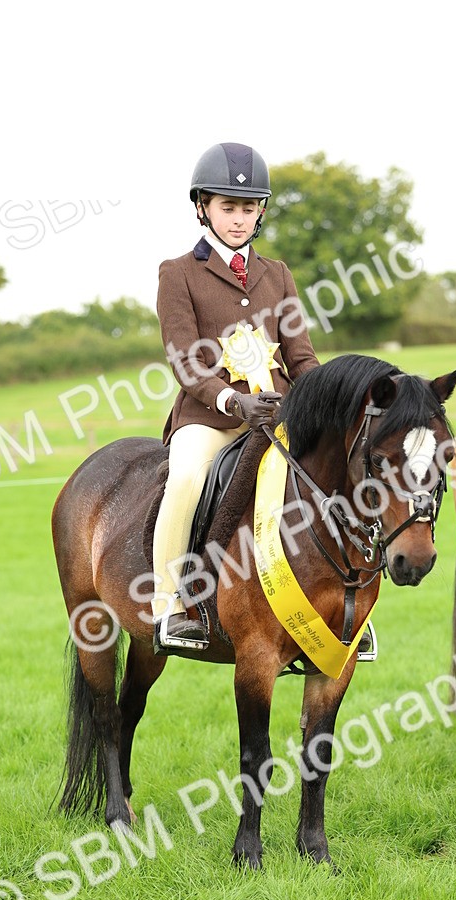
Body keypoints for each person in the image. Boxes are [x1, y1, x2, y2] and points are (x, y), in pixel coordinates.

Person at [151, 141, 321, 650]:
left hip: (279, 415)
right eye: (229, 207)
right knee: (185, 479)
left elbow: (301, 357)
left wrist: (324, 398)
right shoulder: (178, 272)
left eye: (249, 208)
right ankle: (168, 605)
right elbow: (185, 361)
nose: (239, 219)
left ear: (261, 212)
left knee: (334, 470)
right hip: (211, 418)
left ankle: (336, 600)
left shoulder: (278, 274)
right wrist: (232, 401)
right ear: (202, 207)